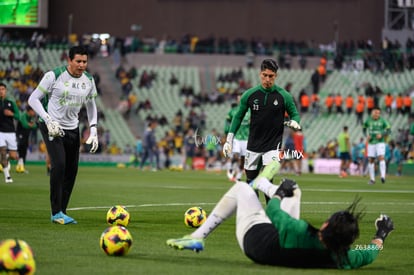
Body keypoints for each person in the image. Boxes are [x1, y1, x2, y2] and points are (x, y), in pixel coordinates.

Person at [166, 161, 394, 269]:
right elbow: (370, 252)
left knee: (243, 189)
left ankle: (198, 235)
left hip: (253, 239)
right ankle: (265, 182)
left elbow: (273, 211)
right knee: (296, 192)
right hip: (278, 242)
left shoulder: (300, 231)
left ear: (326, 225)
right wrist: (381, 233)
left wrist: (278, 192)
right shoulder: (343, 258)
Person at [28, 45, 99, 225]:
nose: (82, 65)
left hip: (72, 128)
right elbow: (32, 99)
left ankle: (62, 212)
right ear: (69, 60)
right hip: (51, 126)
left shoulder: (89, 80)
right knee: (59, 165)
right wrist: (47, 118)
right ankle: (55, 213)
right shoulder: (53, 75)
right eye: (78, 61)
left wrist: (94, 128)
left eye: (85, 61)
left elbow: (91, 105)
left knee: (71, 170)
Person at [222, 59, 301, 201]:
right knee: (250, 181)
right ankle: (255, 213)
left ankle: (271, 215)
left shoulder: (284, 96)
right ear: (260, 74)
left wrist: (295, 121)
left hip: (273, 144)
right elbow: (238, 117)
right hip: (253, 144)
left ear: (276, 76)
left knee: (266, 181)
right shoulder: (249, 95)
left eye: (271, 76)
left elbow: (294, 113)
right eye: (265, 75)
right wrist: (229, 140)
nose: (267, 79)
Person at [362, 108, 391, 184]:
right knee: (371, 160)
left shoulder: (383, 121)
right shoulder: (368, 120)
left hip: (380, 142)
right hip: (371, 143)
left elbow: (389, 130)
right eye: (375, 113)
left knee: (381, 157)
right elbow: (364, 128)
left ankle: (383, 176)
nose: (376, 114)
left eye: (378, 113)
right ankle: (372, 179)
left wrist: (382, 134)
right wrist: (366, 135)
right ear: (372, 113)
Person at [224, 99, 250, 182]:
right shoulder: (234, 110)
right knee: (235, 154)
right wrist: (227, 132)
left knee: (243, 159)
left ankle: (238, 176)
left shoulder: (251, 111)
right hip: (237, 137)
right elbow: (228, 122)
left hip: (246, 138)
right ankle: (230, 169)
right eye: (239, 97)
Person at [0, 82, 20, 183]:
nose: (1, 91)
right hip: (0, 133)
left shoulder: (11, 102)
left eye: (2, 89)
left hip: (10, 132)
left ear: (5, 91)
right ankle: (7, 176)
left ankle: (8, 156)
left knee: (13, 156)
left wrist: (11, 113)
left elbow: (18, 116)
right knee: (2, 152)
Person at [15, 105, 38, 173]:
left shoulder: (31, 117)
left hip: (26, 135)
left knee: (24, 150)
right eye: (33, 110)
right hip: (20, 135)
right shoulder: (23, 115)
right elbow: (25, 125)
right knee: (20, 148)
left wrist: (31, 125)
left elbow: (35, 126)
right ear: (30, 111)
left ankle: (22, 166)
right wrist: (31, 125)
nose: (34, 112)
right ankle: (18, 164)